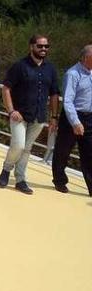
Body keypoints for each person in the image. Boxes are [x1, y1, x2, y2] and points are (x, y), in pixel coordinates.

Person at [0, 35, 60, 194]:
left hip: (39, 116)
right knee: (18, 145)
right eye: (40, 46)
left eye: (46, 46)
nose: (44, 49)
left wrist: (54, 117)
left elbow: (54, 94)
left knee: (26, 149)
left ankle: (20, 179)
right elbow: (6, 88)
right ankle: (6, 168)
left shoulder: (50, 69)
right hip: (20, 115)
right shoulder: (20, 66)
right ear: (31, 47)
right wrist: (11, 110)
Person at [52, 44, 92, 196]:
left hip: (89, 117)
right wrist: (75, 122)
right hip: (72, 116)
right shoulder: (73, 74)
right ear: (85, 58)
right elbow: (67, 101)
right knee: (63, 150)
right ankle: (59, 180)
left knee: (89, 152)